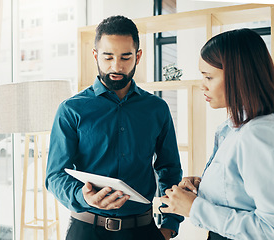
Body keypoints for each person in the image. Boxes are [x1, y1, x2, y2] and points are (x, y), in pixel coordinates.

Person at [46, 15, 183, 240]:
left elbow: (169, 168)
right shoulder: (71, 109)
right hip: (86, 230)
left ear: (138, 56)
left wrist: (169, 224)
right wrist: (82, 196)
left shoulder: (157, 109)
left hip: (143, 231)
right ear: (95, 55)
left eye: (125, 57)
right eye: (108, 57)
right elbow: (55, 175)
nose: (116, 66)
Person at [160, 28, 274, 240]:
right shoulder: (236, 129)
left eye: (208, 77)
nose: (202, 86)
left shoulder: (256, 137)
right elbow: (243, 197)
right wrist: (206, 188)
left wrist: (195, 208)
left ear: (239, 77)